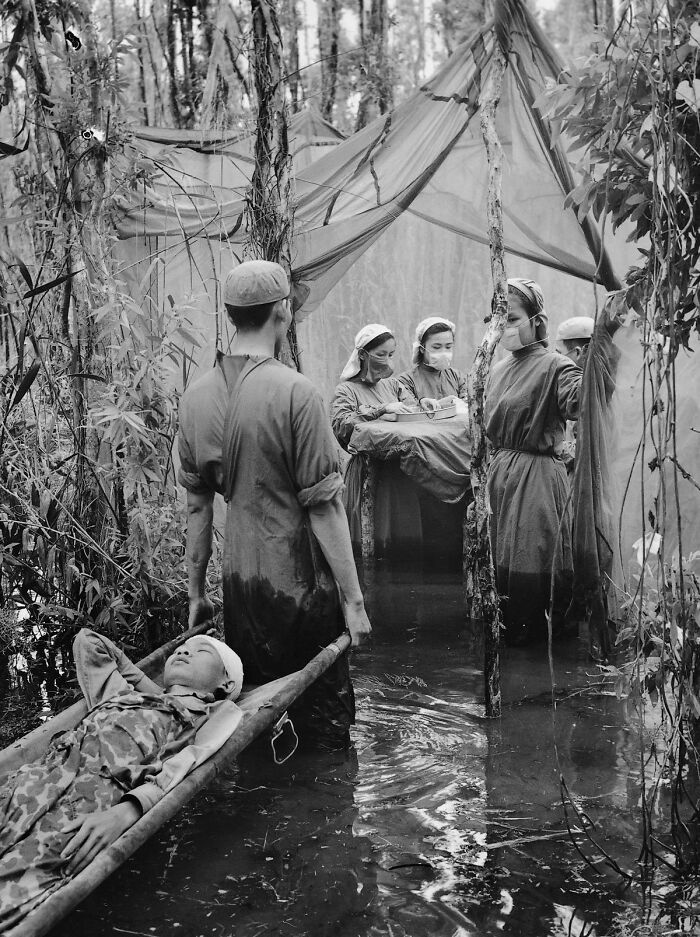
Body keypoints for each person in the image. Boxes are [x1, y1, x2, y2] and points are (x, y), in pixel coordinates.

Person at [178, 260, 371, 752]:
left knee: (257, 719)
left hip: (240, 586)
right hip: (300, 585)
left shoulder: (194, 399)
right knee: (324, 730)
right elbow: (324, 509)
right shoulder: (297, 393)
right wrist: (353, 601)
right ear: (282, 312)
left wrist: (196, 592)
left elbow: (198, 509)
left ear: (231, 316)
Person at [0, 628, 244, 931]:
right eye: (181, 649)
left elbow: (189, 760)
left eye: (201, 651)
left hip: (83, 809)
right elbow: (89, 642)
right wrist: (159, 690)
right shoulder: (121, 694)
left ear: (226, 682)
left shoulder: (207, 716)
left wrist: (127, 810)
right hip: (30, 782)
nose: (184, 651)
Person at [484, 278, 618, 645]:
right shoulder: (497, 370)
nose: (504, 328)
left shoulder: (556, 367)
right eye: (498, 319)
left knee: (536, 568)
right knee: (501, 575)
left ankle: (542, 669)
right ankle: (509, 661)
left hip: (537, 481)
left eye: (511, 318)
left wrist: (601, 353)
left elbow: (583, 401)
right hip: (502, 480)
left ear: (537, 321)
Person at [330, 325, 422, 549]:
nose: (387, 360)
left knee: (402, 539)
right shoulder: (346, 390)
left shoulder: (394, 385)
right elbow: (343, 426)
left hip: (399, 472)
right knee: (369, 539)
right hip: (367, 473)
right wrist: (380, 409)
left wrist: (427, 404)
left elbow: (414, 413)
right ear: (362, 354)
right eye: (380, 354)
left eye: (391, 354)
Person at [398, 316, 469, 408]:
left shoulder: (457, 377)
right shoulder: (406, 381)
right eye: (436, 347)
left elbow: (469, 405)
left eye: (448, 347)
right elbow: (410, 412)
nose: (443, 352)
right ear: (422, 349)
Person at [554, 316, 595, 473]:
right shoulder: (573, 387)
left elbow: (585, 449)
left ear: (578, 353)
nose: (556, 360)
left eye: (559, 354)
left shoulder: (588, 390)